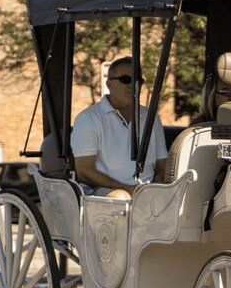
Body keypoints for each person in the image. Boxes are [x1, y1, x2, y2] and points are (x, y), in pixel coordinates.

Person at [71, 56, 168, 199]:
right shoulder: (89, 118)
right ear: (109, 84)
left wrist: (156, 192)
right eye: (125, 80)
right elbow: (84, 171)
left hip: (146, 192)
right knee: (120, 197)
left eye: (138, 81)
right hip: (103, 191)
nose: (132, 85)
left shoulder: (151, 118)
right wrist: (127, 189)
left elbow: (162, 167)